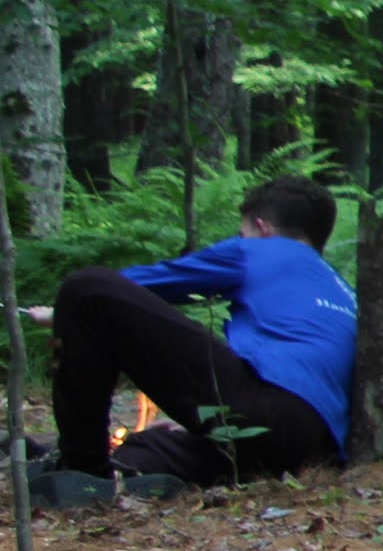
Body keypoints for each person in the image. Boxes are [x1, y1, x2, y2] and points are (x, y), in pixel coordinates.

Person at [35, 176, 357, 502]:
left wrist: (63, 309)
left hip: (270, 405)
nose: (241, 239)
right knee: (146, 447)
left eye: (242, 232)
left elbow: (149, 282)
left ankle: (82, 470)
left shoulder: (262, 249)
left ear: (263, 228)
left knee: (86, 289)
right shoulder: (346, 291)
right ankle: (123, 474)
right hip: (313, 450)